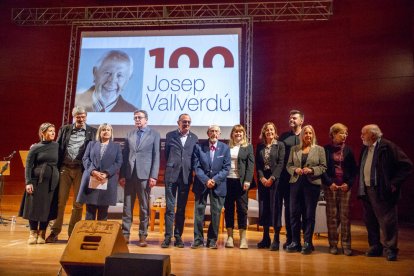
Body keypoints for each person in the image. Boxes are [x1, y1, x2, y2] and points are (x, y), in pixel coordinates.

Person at [358, 124, 413, 261]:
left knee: (387, 221)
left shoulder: (387, 146)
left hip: (382, 190)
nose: (361, 136)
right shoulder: (366, 148)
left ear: (373, 134)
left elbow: (407, 165)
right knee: (370, 220)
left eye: (363, 133)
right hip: (367, 190)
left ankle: (391, 249)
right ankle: (375, 246)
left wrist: (394, 183)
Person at [46, 106, 97, 243]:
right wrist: (42, 146)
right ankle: (54, 232)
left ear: (86, 116)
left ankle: (73, 234)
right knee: (60, 202)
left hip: (81, 170)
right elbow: (57, 146)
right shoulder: (65, 129)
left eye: (83, 116)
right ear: (74, 117)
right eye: (78, 116)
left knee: (78, 204)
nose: (80, 119)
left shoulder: (93, 132)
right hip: (65, 169)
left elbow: (95, 152)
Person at [120, 110, 160, 246]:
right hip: (129, 175)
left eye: (139, 118)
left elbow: (156, 156)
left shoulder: (154, 134)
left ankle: (143, 235)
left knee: (144, 207)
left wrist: (153, 176)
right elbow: (125, 156)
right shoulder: (129, 134)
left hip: (145, 175)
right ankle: (125, 234)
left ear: (146, 120)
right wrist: (122, 175)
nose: (137, 120)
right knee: (127, 207)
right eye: (135, 118)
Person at [286, 125, 327, 254]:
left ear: (313, 135)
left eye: (310, 133)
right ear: (302, 135)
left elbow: (323, 167)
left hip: (312, 185)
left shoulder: (319, 150)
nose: (308, 135)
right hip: (296, 184)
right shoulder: (294, 149)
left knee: (309, 215)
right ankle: (295, 242)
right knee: (294, 214)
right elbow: (289, 165)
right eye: (305, 133)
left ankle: (308, 242)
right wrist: (295, 170)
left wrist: (312, 170)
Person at [161, 114, 198, 248]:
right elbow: (166, 155)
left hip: (186, 177)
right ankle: (167, 237)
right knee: (170, 208)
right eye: (184, 121)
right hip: (171, 176)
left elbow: (194, 158)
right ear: (178, 122)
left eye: (188, 122)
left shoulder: (194, 138)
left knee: (181, 209)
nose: (186, 124)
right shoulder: (170, 135)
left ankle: (178, 236)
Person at [191, 125, 230, 249]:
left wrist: (214, 180)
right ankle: (198, 240)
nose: (214, 133)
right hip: (201, 184)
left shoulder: (225, 148)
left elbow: (226, 168)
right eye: (211, 131)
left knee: (216, 213)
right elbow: (196, 166)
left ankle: (212, 240)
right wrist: (206, 180)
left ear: (219, 134)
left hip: (218, 185)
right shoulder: (198, 147)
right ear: (208, 133)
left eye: (216, 131)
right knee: (199, 213)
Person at [20, 123, 59, 244]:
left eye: (54, 131)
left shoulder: (57, 146)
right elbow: (28, 166)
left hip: (52, 181)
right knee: (34, 206)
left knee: (46, 207)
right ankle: (32, 233)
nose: (53, 133)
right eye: (50, 131)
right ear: (42, 133)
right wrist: (28, 182)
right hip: (36, 181)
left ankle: (42, 232)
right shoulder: (35, 147)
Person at [322, 123, 357, 256]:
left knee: (345, 216)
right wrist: (330, 183)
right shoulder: (326, 150)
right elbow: (322, 168)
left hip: (344, 188)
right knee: (332, 216)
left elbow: (354, 170)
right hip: (330, 187)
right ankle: (333, 245)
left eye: (346, 133)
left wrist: (348, 184)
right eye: (341, 133)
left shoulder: (348, 150)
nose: (344, 136)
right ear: (333, 134)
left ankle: (346, 245)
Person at [76, 123, 123, 221]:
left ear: (111, 133)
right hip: (91, 179)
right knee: (90, 212)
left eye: (108, 130)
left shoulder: (116, 147)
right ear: (99, 132)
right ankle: (89, 236)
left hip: (107, 180)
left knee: (103, 213)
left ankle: (100, 236)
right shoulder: (91, 144)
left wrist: (106, 173)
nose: (106, 132)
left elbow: (118, 162)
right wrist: (93, 171)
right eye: (103, 130)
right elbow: (85, 159)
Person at [255, 122, 285, 250]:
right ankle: (265, 237)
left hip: (276, 181)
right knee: (264, 208)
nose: (269, 132)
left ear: (275, 131)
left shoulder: (280, 145)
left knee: (275, 208)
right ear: (264, 132)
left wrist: (272, 178)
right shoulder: (260, 146)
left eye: (271, 129)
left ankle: (276, 239)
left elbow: (281, 163)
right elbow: (258, 164)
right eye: (267, 130)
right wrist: (261, 177)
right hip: (263, 181)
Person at [224, 124, 254, 249]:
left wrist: (247, 180)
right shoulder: (227, 147)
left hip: (241, 183)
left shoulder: (248, 147)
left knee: (242, 210)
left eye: (240, 132)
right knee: (229, 209)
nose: (238, 134)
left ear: (243, 134)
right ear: (232, 134)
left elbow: (251, 165)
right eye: (236, 132)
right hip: (227, 182)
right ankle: (230, 237)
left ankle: (243, 238)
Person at [279, 109, 304, 249]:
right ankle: (290, 239)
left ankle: (305, 240)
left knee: (303, 209)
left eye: (294, 118)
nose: (291, 120)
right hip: (286, 179)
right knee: (289, 209)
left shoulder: (307, 135)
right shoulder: (284, 137)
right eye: (290, 118)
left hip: (303, 179)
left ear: (301, 121)